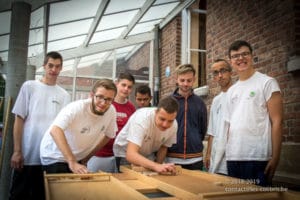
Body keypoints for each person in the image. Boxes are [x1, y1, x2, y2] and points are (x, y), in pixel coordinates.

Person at [9, 51, 70, 200]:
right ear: (44, 66)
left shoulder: (64, 95)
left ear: (61, 68)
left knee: (42, 196)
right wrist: (17, 151)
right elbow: (19, 119)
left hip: (49, 158)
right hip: (28, 155)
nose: (53, 70)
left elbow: (64, 129)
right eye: (50, 65)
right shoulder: (29, 86)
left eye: (57, 66)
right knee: (18, 195)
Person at [224, 40, 283, 186]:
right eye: (236, 56)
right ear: (231, 62)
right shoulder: (231, 90)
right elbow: (229, 126)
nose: (240, 58)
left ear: (252, 56)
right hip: (233, 157)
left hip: (257, 157)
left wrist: (275, 158)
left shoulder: (267, 82)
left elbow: (277, 121)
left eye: (245, 54)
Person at [40, 79, 117, 174]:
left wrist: (87, 157)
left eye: (109, 99)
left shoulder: (111, 111)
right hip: (55, 156)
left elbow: (109, 135)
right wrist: (72, 161)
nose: (103, 103)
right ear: (91, 95)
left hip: (78, 158)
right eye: (100, 97)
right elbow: (55, 130)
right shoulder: (76, 108)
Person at [113, 96, 179, 174]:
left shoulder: (174, 125)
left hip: (147, 154)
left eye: (170, 121)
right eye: (162, 119)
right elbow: (131, 154)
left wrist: (160, 167)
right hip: (125, 152)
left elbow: (163, 147)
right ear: (156, 112)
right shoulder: (141, 119)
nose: (165, 124)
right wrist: (156, 166)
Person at [87, 72, 135, 172]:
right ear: (116, 83)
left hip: (119, 155)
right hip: (99, 153)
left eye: (129, 87)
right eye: (123, 85)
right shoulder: (104, 102)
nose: (126, 89)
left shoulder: (131, 108)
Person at [166, 64, 207, 170]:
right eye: (182, 80)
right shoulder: (168, 101)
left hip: (195, 158)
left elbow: (203, 129)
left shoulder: (200, 103)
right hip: (172, 157)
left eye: (189, 80)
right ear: (177, 79)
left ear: (194, 80)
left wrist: (195, 139)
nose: (185, 84)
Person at [204, 59, 233, 175]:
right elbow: (212, 131)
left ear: (230, 72)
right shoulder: (216, 100)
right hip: (216, 157)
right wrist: (208, 154)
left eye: (223, 71)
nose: (220, 76)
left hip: (232, 156)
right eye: (216, 73)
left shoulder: (238, 95)